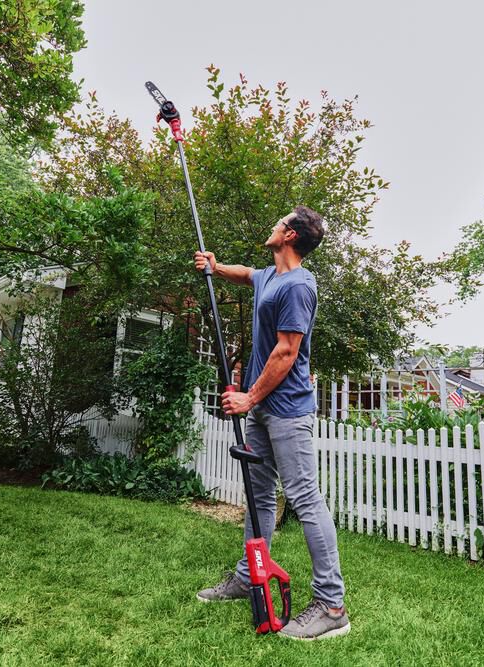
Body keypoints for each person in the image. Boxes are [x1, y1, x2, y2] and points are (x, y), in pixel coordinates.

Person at [194, 205, 349, 640]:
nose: (273, 225)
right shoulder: (271, 277)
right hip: (262, 408)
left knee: (305, 498)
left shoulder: (298, 285)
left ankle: (332, 605)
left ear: (290, 235)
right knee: (259, 495)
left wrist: (249, 397)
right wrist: (216, 267)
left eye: (279, 222)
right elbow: (247, 275)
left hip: (287, 410)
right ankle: (249, 577)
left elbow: (286, 351)